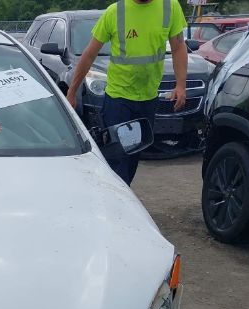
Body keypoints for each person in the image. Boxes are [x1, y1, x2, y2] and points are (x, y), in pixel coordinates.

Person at [67, 0, 189, 185]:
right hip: (118, 100)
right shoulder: (115, 12)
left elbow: (179, 47)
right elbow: (90, 53)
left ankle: (122, 194)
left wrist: (181, 85)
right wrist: (72, 91)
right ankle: (117, 204)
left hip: (148, 99)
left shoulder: (169, 7)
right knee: (118, 158)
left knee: (133, 156)